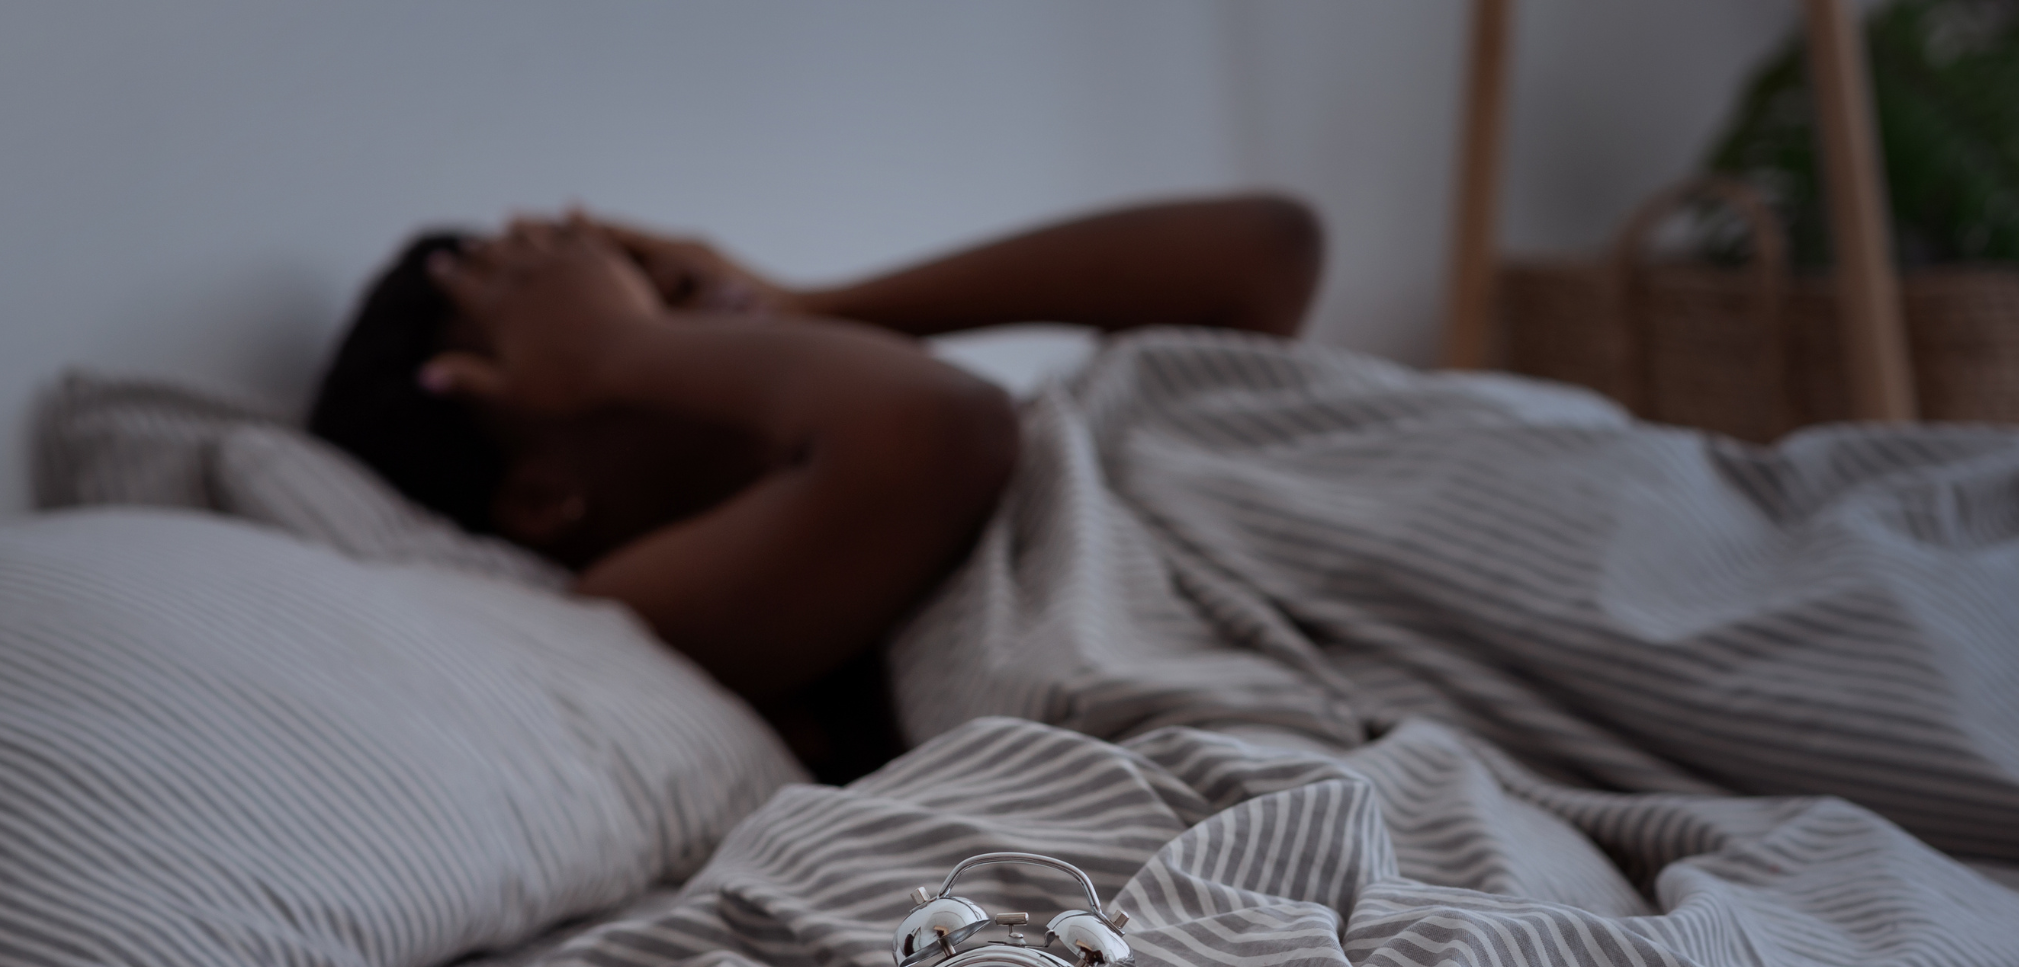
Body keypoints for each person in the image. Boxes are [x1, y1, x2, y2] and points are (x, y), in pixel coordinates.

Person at [308, 195, 1325, 779]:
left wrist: (803, 305)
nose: (671, 291)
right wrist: (626, 349)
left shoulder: (937, 420)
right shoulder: (629, 611)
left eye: (638, 274)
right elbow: (943, 430)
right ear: (542, 497)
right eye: (600, 322)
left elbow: (1267, 250)